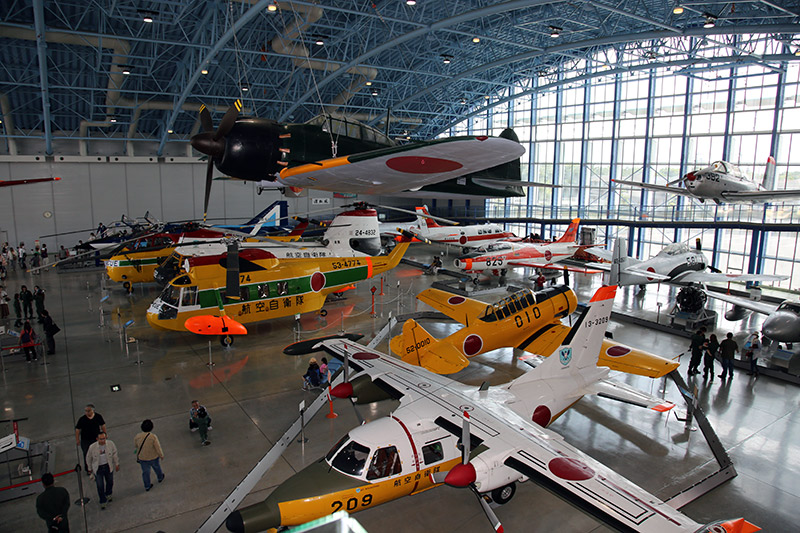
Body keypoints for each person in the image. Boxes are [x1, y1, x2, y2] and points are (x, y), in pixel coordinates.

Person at [86, 432, 119, 509]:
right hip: (98, 469)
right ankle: (102, 501)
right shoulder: (92, 447)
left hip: (108, 466)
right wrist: (90, 468)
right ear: (97, 439)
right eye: (101, 439)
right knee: (100, 485)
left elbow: (115, 453)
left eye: (104, 438)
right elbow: (88, 458)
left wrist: (117, 463)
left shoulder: (110, 444)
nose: (103, 440)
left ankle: (108, 494)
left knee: (110, 482)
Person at [75, 405, 107, 474]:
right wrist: (77, 439)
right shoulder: (82, 419)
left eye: (88, 411)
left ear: (93, 410)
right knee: (87, 454)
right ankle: (88, 469)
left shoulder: (98, 417)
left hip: (96, 439)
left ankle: (98, 466)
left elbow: (103, 425)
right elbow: (77, 430)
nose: (87, 412)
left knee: (98, 452)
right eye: (86, 411)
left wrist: (105, 434)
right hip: (85, 440)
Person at [134, 419, 164, 491]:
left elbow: (136, 445)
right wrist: (161, 455)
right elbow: (157, 447)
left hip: (143, 458)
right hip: (153, 457)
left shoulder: (137, 436)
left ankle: (147, 485)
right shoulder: (153, 437)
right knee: (157, 467)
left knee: (145, 472)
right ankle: (160, 477)